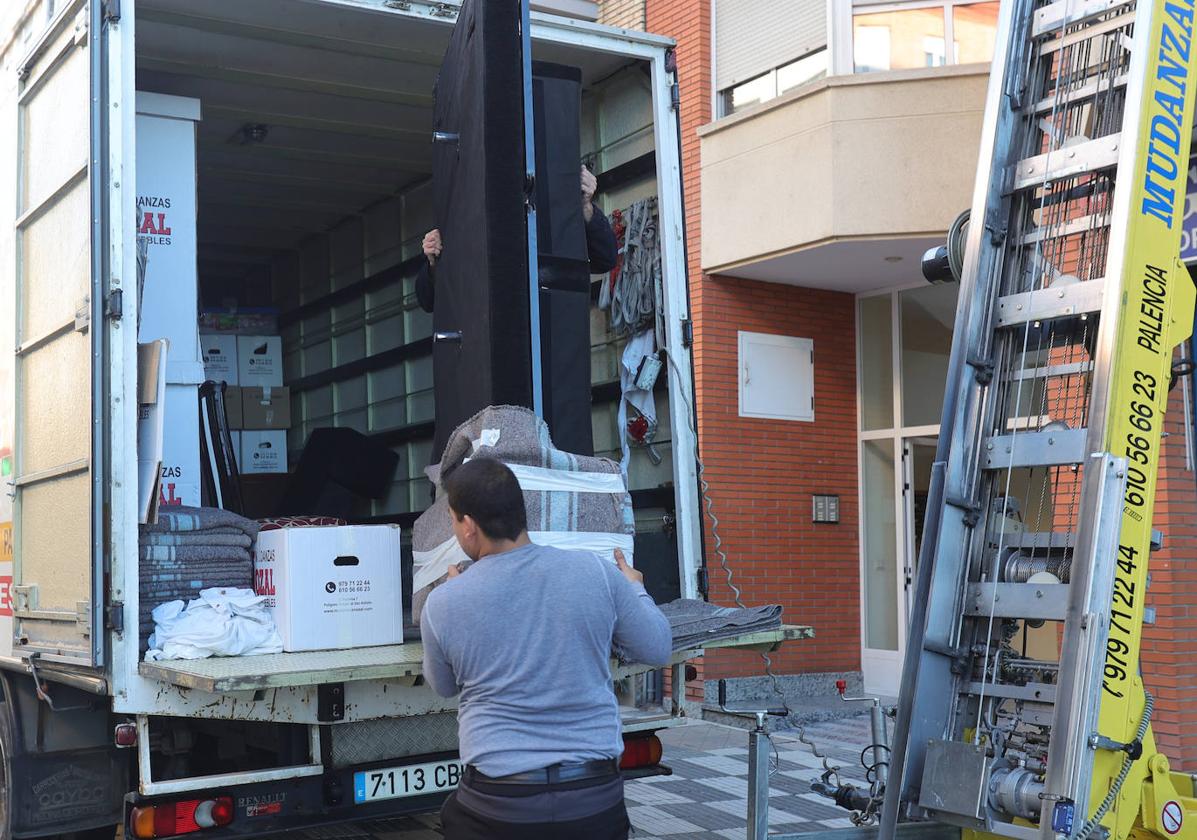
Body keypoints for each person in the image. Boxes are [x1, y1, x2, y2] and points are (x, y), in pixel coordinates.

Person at [420, 458, 671, 840]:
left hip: (496, 809)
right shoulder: (596, 573)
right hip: (592, 803)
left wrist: (453, 595)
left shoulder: (444, 603)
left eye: (454, 521)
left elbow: (444, 686)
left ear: (468, 526)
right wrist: (635, 586)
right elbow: (657, 648)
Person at [415, 165, 618, 313]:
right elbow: (428, 300)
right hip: (488, 339)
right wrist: (434, 262)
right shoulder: (464, 223)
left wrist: (585, 206)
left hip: (548, 336)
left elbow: (606, 258)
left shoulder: (551, 215)